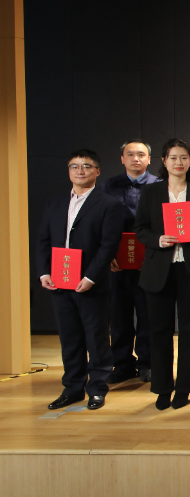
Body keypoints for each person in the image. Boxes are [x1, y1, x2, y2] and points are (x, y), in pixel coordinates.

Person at [36, 149, 124, 411]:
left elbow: (108, 245)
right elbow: (43, 240)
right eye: (74, 166)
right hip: (59, 280)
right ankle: (72, 388)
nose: (80, 171)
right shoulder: (55, 202)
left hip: (90, 282)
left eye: (86, 166)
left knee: (96, 338)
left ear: (97, 171)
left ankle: (97, 388)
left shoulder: (108, 204)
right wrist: (44, 273)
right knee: (69, 338)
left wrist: (91, 276)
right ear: (69, 171)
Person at [134, 139, 190, 410]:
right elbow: (140, 229)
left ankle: (185, 387)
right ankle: (162, 387)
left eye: (183, 158)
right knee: (159, 331)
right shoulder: (151, 192)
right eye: (173, 157)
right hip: (159, 269)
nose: (178, 163)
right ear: (164, 161)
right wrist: (158, 240)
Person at [101, 139, 159, 384]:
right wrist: (108, 254)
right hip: (117, 261)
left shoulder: (159, 185)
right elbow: (102, 223)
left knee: (148, 314)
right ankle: (122, 363)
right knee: (119, 314)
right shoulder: (108, 186)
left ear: (149, 159)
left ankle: (147, 363)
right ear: (122, 159)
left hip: (149, 260)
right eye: (130, 154)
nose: (136, 159)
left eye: (141, 155)